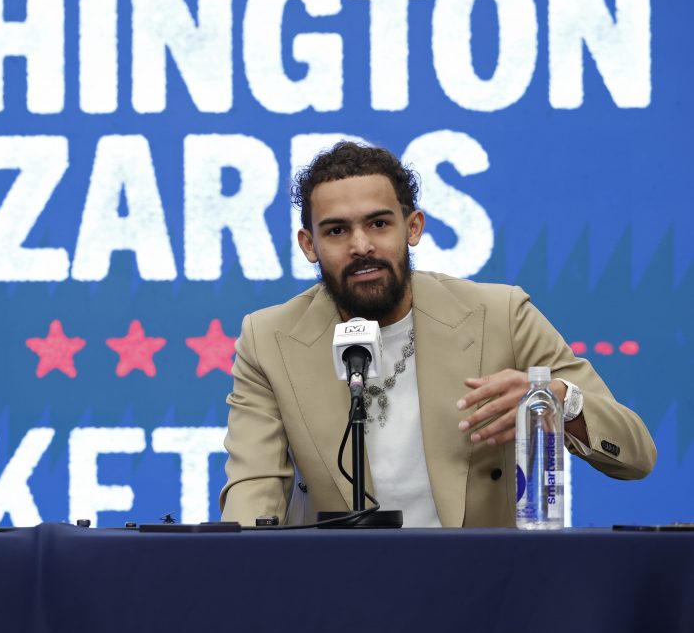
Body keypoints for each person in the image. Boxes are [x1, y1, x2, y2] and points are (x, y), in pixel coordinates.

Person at [219, 141, 656, 527]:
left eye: (378, 224)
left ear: (413, 228)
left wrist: (559, 401)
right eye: (336, 230)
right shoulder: (269, 339)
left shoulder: (499, 315)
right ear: (308, 245)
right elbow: (253, 489)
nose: (361, 246)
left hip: (483, 591)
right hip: (340, 595)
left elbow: (636, 454)